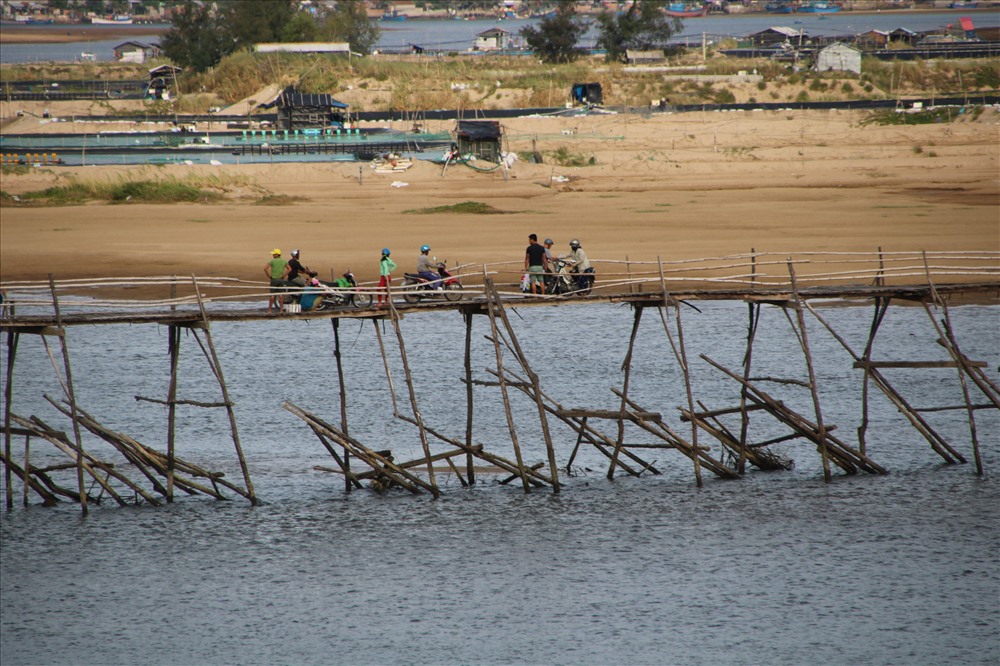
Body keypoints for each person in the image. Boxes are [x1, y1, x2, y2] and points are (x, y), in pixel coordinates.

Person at [264, 248, 289, 313]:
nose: (273, 255)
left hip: (274, 279)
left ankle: (269, 310)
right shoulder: (283, 261)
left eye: (274, 254)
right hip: (281, 280)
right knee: (281, 295)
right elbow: (289, 269)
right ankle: (281, 310)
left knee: (272, 295)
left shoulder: (272, 261)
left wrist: (269, 276)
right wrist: (283, 275)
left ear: (277, 255)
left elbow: (265, 268)